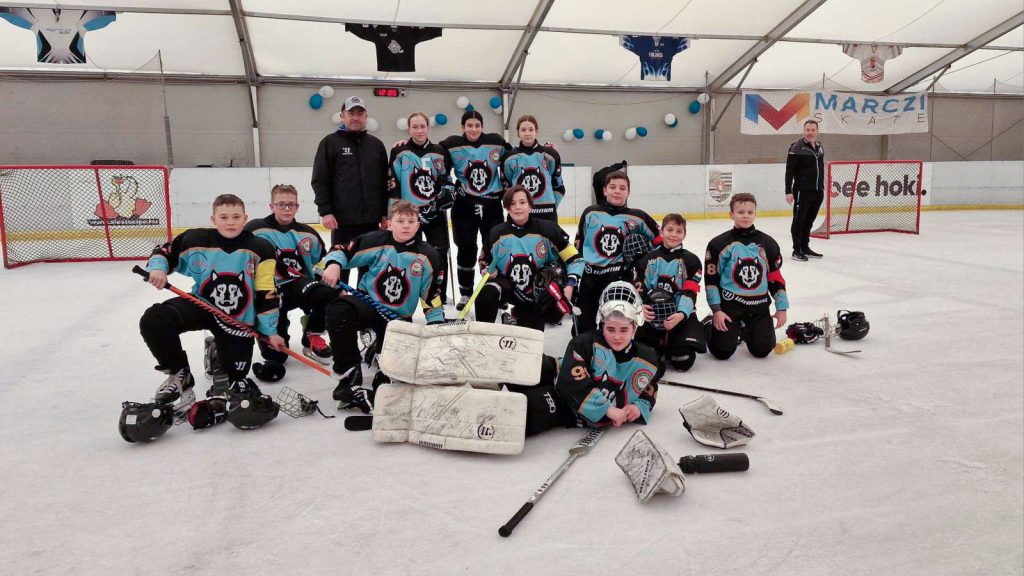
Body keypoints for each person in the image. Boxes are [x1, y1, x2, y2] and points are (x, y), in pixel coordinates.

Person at [139, 194, 285, 406]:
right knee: (155, 319)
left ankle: (216, 349)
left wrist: (270, 331)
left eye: (236, 217)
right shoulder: (195, 240)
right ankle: (178, 372)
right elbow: (163, 252)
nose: (230, 222)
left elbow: (267, 291)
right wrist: (158, 269)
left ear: (245, 218)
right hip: (202, 305)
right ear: (213, 219)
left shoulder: (261, 248)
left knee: (235, 378)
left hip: (238, 320)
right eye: (224, 217)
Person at [318, 200, 445, 412]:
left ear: (418, 225)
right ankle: (349, 378)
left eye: (411, 221)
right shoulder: (375, 241)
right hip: (369, 308)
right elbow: (342, 250)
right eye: (400, 221)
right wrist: (334, 264)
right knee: (338, 309)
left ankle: (380, 363)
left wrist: (436, 326)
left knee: (393, 378)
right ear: (389, 223)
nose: (406, 226)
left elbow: (432, 297)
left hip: (397, 321)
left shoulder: (428, 255)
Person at [506, 281, 664, 436]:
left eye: (624, 330)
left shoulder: (647, 359)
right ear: (602, 324)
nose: (617, 336)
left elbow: (649, 386)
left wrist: (638, 407)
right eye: (610, 329)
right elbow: (571, 381)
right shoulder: (584, 342)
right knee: (525, 366)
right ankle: (498, 371)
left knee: (526, 410)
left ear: (634, 328)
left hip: (564, 403)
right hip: (560, 372)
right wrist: (607, 409)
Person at [241, 184, 337, 380]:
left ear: (297, 207)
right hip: (268, 293)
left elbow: (322, 263)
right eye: (281, 204)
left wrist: (328, 283)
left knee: (327, 293)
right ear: (272, 206)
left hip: (298, 286)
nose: (286, 208)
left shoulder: (308, 233)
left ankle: (312, 334)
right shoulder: (254, 229)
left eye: (291, 205)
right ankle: (278, 327)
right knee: (276, 356)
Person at [476, 186, 582, 331]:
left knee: (531, 335)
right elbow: (484, 261)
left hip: (536, 295)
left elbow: (575, 260)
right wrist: (487, 270)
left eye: (522, 202)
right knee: (486, 293)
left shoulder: (548, 230)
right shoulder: (496, 234)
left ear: (530, 205)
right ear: (507, 207)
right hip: (508, 288)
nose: (517, 207)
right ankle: (483, 334)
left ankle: (514, 318)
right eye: (512, 203)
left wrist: (569, 287)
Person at [311, 95, 390, 283]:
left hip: (371, 222)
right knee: (339, 266)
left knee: (369, 270)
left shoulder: (376, 145)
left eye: (359, 114)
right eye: (351, 113)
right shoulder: (329, 143)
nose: (355, 117)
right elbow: (320, 180)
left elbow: (384, 183)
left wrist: (384, 213)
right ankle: (339, 299)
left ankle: (365, 300)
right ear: (342, 116)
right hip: (342, 221)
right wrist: (325, 211)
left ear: (365, 117)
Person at [572, 170, 660, 335]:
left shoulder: (638, 217)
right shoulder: (590, 213)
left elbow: (660, 241)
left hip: (620, 279)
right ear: (605, 191)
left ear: (628, 192)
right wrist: (573, 277)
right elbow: (578, 245)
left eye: (622, 188)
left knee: (615, 327)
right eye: (612, 187)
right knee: (582, 331)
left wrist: (646, 260)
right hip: (590, 278)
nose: (617, 191)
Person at [440, 110, 512, 311]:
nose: (473, 129)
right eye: (469, 125)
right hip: (464, 206)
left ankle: (497, 291)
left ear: (482, 126)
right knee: (466, 249)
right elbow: (433, 156)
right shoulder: (451, 144)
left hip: (492, 205)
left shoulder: (496, 141)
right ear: (462, 127)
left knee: (495, 249)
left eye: (477, 125)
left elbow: (516, 155)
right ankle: (466, 293)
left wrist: (546, 147)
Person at [704, 193, 789, 360]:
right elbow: (711, 281)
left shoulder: (768, 243)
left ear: (755, 213)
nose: (746, 216)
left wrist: (781, 308)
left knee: (762, 350)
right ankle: (708, 323)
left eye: (750, 212)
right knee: (721, 352)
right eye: (741, 212)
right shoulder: (718, 244)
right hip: (730, 307)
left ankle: (746, 329)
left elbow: (775, 279)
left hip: (759, 307)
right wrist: (717, 311)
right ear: (731, 214)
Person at [388, 112, 455, 304]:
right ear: (409, 129)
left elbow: (445, 179)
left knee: (439, 254)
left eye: (422, 126)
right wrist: (392, 213)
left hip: (434, 214)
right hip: (408, 216)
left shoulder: (439, 151)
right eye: (415, 127)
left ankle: (438, 296)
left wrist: (445, 196)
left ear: (428, 128)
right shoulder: (399, 151)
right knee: (407, 254)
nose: (419, 130)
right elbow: (392, 183)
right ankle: (409, 293)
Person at [634, 213, 705, 372]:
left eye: (679, 231)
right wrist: (641, 308)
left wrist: (681, 314)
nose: (674, 234)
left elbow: (690, 291)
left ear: (684, 234)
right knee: (647, 358)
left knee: (683, 361)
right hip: (652, 315)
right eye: (670, 230)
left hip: (679, 315)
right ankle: (660, 343)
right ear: (661, 232)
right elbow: (639, 290)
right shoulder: (646, 260)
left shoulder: (691, 260)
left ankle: (702, 327)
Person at [500, 115, 564, 223]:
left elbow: (559, 185)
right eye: (523, 130)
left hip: (547, 214)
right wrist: (515, 207)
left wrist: (551, 207)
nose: (527, 133)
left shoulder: (550, 155)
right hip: (519, 214)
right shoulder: (509, 158)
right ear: (518, 132)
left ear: (536, 131)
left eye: (531, 129)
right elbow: (506, 187)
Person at [785, 119, 825, 261]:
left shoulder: (820, 147)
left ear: (817, 131)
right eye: (807, 130)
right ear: (804, 131)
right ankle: (797, 250)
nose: (810, 132)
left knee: (809, 221)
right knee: (799, 221)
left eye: (813, 130)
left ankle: (805, 247)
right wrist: (788, 191)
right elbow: (789, 171)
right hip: (802, 191)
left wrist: (823, 186)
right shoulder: (796, 148)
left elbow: (821, 169)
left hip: (817, 191)